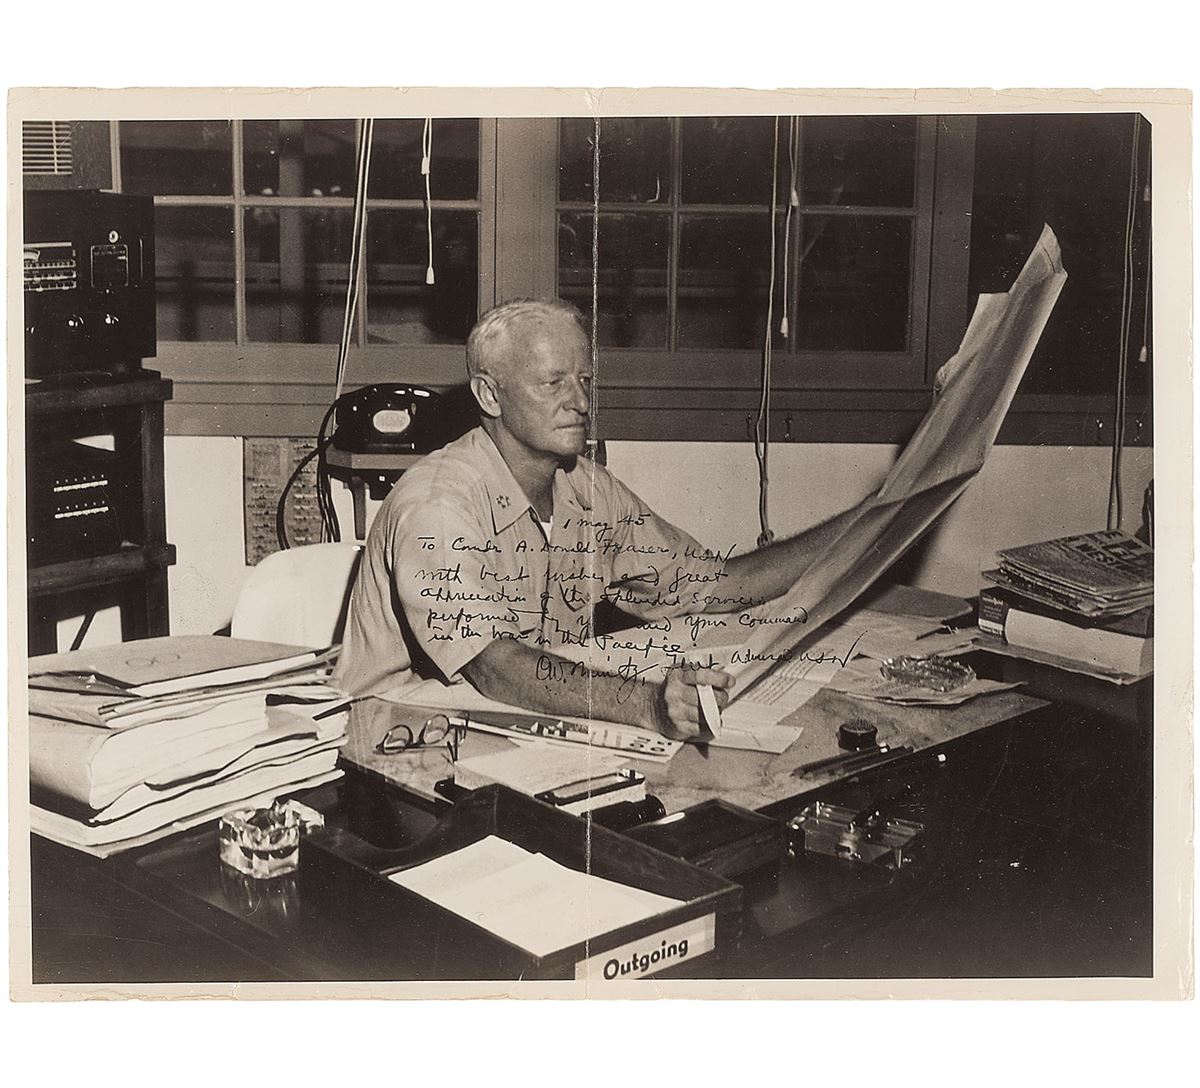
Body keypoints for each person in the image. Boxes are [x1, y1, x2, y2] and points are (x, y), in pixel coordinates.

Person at [335, 299, 864, 740]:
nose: (581, 402)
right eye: (553, 383)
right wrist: (648, 704)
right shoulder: (438, 507)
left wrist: (867, 522)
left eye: (585, 379)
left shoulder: (588, 490)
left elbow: (714, 585)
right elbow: (495, 666)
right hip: (397, 738)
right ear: (490, 395)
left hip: (528, 724)